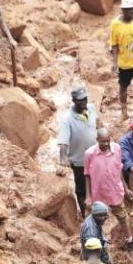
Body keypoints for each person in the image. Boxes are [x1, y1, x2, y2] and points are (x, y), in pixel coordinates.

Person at [85, 128, 133, 250]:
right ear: (97, 140)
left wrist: (126, 188)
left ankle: (129, 242)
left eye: (108, 140)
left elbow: (119, 169)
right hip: (99, 192)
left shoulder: (116, 148)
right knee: (97, 219)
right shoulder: (89, 154)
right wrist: (88, 196)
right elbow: (87, 175)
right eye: (103, 141)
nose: (106, 144)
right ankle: (96, 245)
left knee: (123, 217)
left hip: (115, 190)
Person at [57, 85, 98, 214]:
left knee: (96, 184)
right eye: (80, 100)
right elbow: (63, 142)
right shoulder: (66, 119)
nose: (84, 102)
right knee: (81, 190)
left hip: (96, 157)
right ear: (73, 101)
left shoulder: (91, 108)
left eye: (85, 99)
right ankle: (86, 216)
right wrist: (63, 162)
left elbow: (97, 124)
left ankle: (97, 210)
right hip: (79, 162)